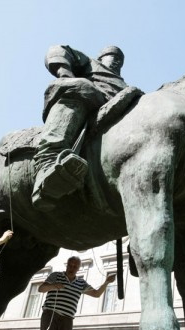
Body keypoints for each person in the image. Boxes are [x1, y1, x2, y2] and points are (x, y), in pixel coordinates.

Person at [32, 44, 127, 211]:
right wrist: (65, 73)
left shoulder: (124, 86)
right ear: (101, 58)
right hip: (88, 98)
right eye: (112, 56)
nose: (115, 61)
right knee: (82, 88)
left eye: (119, 59)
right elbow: (58, 49)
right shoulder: (90, 63)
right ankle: (47, 162)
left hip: (112, 115)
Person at [36, 256, 116, 330]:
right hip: (51, 314)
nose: (72, 268)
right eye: (70, 265)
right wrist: (53, 286)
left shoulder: (81, 283)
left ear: (78, 268)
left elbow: (96, 294)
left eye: (75, 266)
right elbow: (41, 289)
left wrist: (106, 282)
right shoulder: (56, 275)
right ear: (67, 265)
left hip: (68, 319)